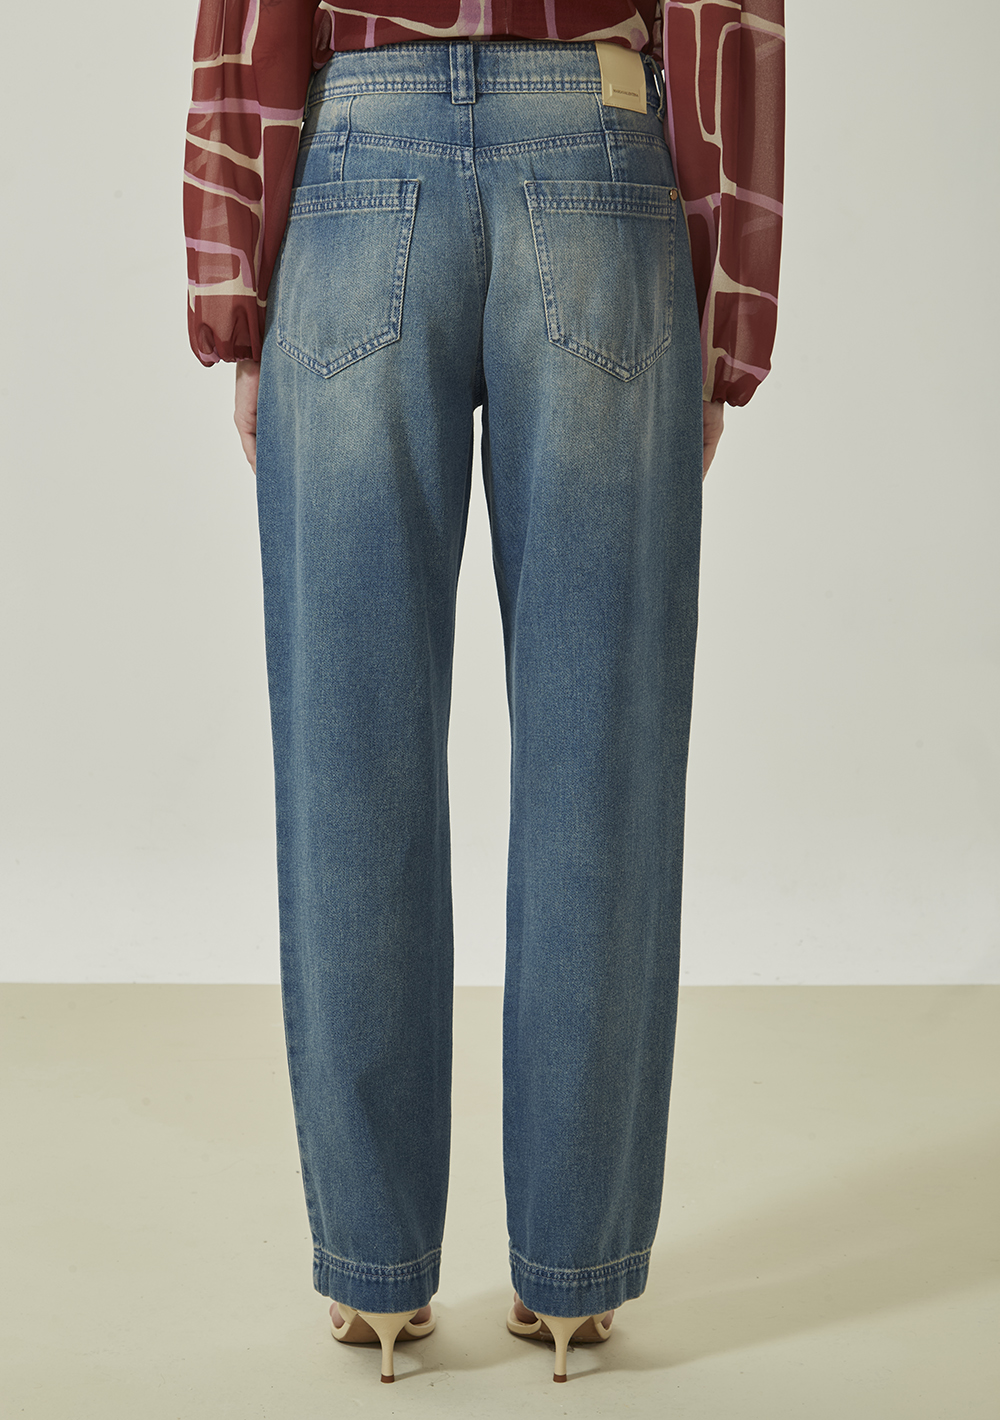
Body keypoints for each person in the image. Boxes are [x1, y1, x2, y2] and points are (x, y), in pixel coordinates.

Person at [184, 0, 784, 1386]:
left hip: (359, 154)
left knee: (349, 751)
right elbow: (727, 17)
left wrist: (239, 298)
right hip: (599, 145)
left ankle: (375, 1279)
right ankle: (573, 1276)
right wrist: (724, 314)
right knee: (602, 754)